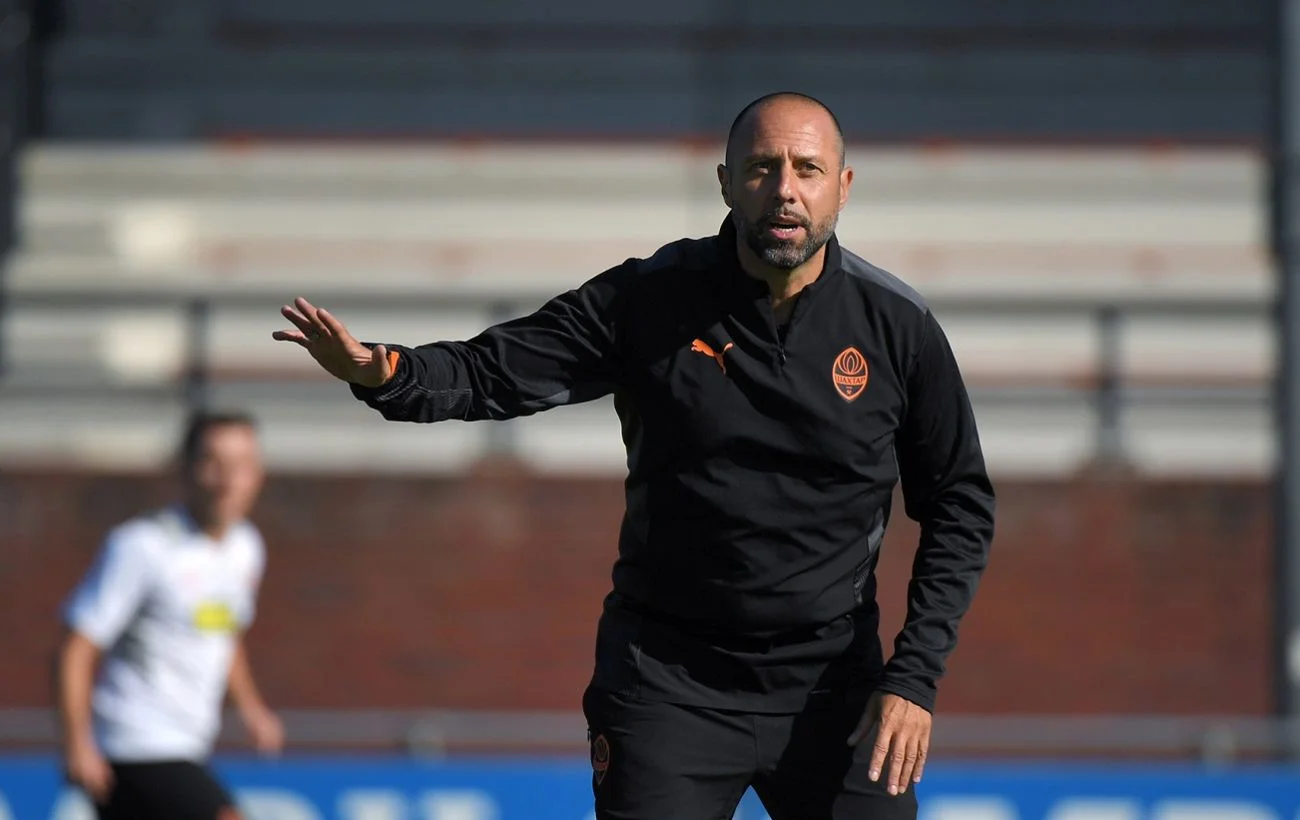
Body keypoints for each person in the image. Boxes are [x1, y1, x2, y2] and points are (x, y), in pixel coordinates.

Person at [273, 91, 995, 820]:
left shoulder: (898, 328)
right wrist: (386, 373)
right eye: (761, 167)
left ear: (843, 186)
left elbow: (960, 507)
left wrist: (914, 677)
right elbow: (497, 369)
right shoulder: (649, 300)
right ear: (725, 183)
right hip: (669, 683)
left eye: (807, 169)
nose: (784, 189)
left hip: (834, 688)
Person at [56, 410, 283, 820]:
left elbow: (224, 635)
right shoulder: (142, 545)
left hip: (190, 744)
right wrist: (77, 743)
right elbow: (77, 647)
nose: (228, 481)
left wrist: (251, 709)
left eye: (241, 465)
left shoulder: (246, 548)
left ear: (258, 474)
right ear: (186, 469)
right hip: (133, 745)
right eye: (213, 463)